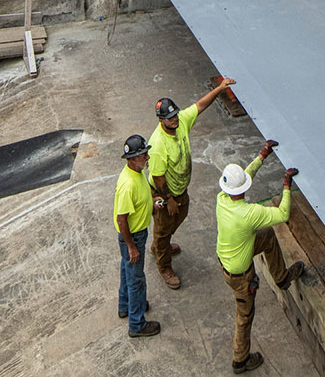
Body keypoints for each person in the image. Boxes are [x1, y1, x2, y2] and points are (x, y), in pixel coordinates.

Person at [216, 139, 306, 372]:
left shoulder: (221, 199)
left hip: (227, 257)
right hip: (239, 274)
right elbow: (283, 214)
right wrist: (286, 184)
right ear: (243, 189)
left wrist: (263, 155)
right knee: (244, 317)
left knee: (266, 236)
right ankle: (240, 360)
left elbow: (245, 176)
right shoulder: (249, 214)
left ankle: (281, 277)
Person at [148, 76, 238, 289]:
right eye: (169, 118)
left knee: (182, 213)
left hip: (180, 189)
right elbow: (158, 178)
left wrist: (219, 88)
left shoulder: (180, 122)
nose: (175, 120)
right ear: (161, 120)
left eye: (175, 115)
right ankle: (164, 264)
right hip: (164, 192)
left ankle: (159, 246)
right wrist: (168, 199)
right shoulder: (158, 144)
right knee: (163, 229)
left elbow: (199, 105)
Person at [114, 133, 162, 339]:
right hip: (133, 237)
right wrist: (132, 246)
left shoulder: (136, 173)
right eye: (143, 155)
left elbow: (140, 200)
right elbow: (121, 219)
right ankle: (137, 323)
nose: (147, 158)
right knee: (136, 280)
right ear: (132, 159)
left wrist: (153, 202)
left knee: (127, 270)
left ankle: (126, 306)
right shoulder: (128, 185)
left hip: (134, 235)